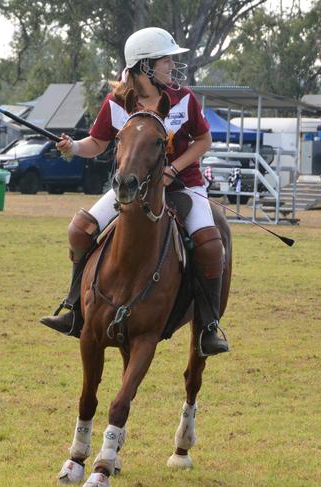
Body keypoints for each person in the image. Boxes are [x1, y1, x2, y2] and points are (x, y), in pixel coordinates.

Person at [40, 27, 229, 357]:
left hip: (184, 185)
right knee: (79, 230)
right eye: (166, 59)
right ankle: (74, 308)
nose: (173, 64)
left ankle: (208, 326)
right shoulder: (116, 102)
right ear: (145, 66)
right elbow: (96, 143)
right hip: (133, 189)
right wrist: (72, 147)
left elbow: (204, 141)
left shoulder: (184, 98)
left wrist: (173, 169)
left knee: (212, 247)